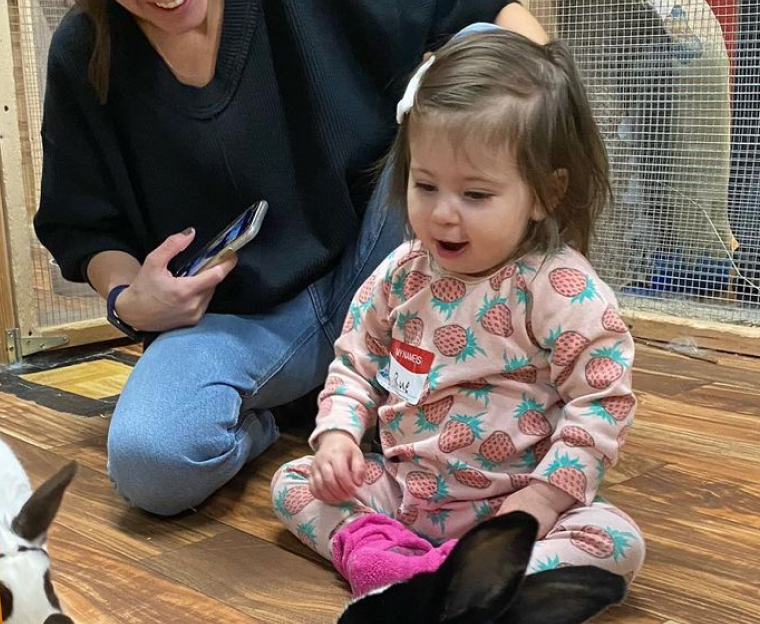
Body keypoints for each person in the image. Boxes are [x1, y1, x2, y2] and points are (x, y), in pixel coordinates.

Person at [33, 0, 548, 515]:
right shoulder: (83, 51)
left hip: (381, 263)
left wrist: (555, 125)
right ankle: (303, 407)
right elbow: (82, 224)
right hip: (241, 323)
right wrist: (131, 300)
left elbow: (493, 13)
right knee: (153, 462)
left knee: (495, 58)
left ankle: (421, 387)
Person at [268, 31, 643, 583]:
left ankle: (452, 577)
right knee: (293, 484)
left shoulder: (561, 289)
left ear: (545, 193)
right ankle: (407, 567)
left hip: (515, 509)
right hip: (402, 493)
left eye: (476, 195)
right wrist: (338, 438)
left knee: (614, 543)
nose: (444, 214)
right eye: (425, 185)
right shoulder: (401, 273)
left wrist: (539, 504)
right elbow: (355, 364)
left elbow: (601, 406)